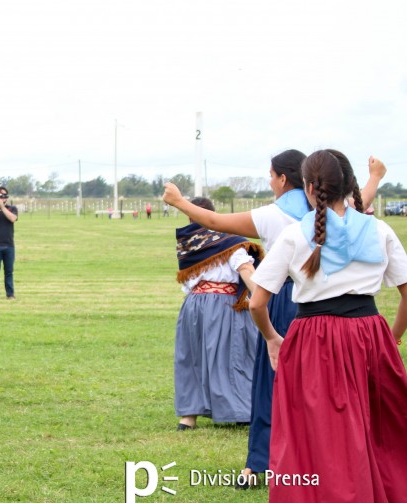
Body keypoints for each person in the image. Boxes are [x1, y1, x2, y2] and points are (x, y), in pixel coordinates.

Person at [163, 150, 386, 485]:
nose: (269, 182)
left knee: (271, 382)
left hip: (283, 300)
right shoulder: (335, 210)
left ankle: (260, 464)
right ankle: (325, 462)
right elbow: (360, 201)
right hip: (331, 306)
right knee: (325, 387)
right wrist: (375, 178)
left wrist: (180, 202)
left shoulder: (272, 215)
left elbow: (215, 223)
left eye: (271, 175)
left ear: (284, 179)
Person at [248, 149, 407, 503]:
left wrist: (272, 339)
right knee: (384, 436)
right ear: (350, 185)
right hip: (369, 337)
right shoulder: (379, 230)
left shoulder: (293, 235)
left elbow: (257, 302)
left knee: (319, 445)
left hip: (314, 344)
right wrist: (391, 337)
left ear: (308, 188)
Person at [173, 197, 262, 430]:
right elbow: (246, 269)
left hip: (193, 305)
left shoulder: (188, 245)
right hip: (222, 304)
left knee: (192, 356)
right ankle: (239, 410)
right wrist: (261, 298)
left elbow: (188, 282)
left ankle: (188, 417)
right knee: (231, 355)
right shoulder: (230, 242)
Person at [0, 186, 19, 300]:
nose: (3, 198)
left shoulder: (12, 208)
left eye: (5, 195)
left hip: (9, 245)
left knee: (9, 271)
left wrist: (3, 206)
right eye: (0, 195)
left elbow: (13, 218)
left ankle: (10, 294)